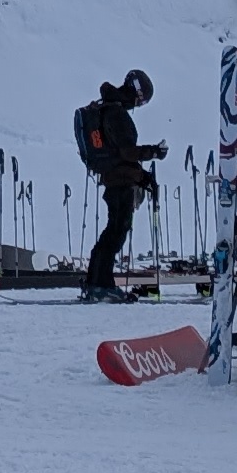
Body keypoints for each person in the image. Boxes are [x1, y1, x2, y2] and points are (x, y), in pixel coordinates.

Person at [77, 70, 164, 301]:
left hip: (114, 179)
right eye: (141, 100)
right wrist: (153, 152)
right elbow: (126, 152)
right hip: (119, 183)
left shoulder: (107, 108)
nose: (139, 104)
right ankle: (101, 284)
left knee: (113, 231)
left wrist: (141, 176)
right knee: (116, 232)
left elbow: (120, 157)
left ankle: (96, 281)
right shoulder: (116, 113)